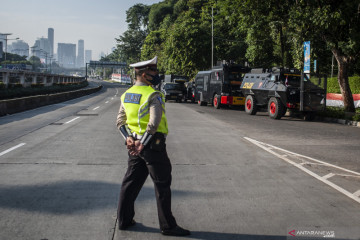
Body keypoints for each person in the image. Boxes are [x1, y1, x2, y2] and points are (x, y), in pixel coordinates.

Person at [116, 56, 190, 236]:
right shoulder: (153, 94)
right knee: (162, 184)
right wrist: (143, 144)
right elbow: (154, 123)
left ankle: (124, 220)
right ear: (143, 74)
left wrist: (129, 140)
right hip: (152, 146)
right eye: (153, 71)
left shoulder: (127, 95)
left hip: (135, 145)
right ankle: (168, 226)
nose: (157, 74)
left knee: (130, 183)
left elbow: (120, 121)